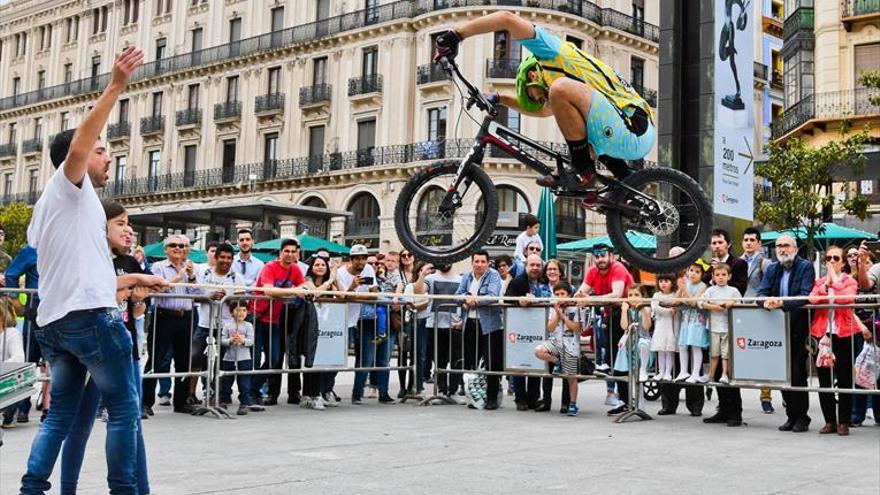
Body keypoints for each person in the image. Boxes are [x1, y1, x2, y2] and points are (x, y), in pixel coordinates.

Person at [20, 45, 171, 495]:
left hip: (55, 323)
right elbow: (82, 142)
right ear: (81, 158)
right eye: (103, 152)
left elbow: (77, 268)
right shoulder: (70, 187)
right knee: (124, 409)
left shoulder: (47, 212)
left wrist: (136, 278)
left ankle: (32, 488)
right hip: (91, 319)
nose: (109, 158)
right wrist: (116, 86)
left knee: (60, 415)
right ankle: (123, 489)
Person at [434, 11, 654, 191]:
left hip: (633, 125)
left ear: (532, 75)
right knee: (571, 117)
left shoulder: (549, 52)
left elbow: (507, 19)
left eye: (536, 96)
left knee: (559, 90)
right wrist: (500, 98)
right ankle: (625, 179)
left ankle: (583, 170)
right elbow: (544, 111)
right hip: (624, 132)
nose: (542, 101)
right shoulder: (563, 87)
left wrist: (456, 35)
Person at [58, 201, 152, 495]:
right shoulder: (90, 259)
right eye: (121, 224)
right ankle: (67, 488)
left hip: (124, 347)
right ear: (102, 226)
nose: (129, 231)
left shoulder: (131, 262)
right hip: (92, 348)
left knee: (131, 424)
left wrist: (138, 299)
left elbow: (136, 311)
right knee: (81, 424)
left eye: (129, 224)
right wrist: (130, 283)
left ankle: (140, 488)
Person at [756, 234, 815, 433]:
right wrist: (766, 302)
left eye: (786, 245)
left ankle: (802, 417)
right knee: (782, 374)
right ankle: (790, 416)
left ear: (795, 249)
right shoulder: (772, 268)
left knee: (797, 374)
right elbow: (761, 292)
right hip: (776, 330)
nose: (782, 249)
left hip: (798, 328)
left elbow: (805, 295)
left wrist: (782, 303)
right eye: (779, 246)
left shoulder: (805, 266)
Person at [809, 245, 866, 436]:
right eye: (829, 258)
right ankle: (829, 421)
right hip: (822, 334)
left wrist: (834, 282)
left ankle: (844, 421)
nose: (832, 262)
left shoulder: (849, 280)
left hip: (844, 334)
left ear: (842, 262)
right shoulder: (820, 282)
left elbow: (845, 299)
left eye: (836, 258)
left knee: (844, 379)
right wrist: (827, 285)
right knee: (824, 380)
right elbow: (813, 300)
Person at [143, 234, 202, 416]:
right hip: (164, 316)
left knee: (184, 360)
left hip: (186, 317)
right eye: (174, 245)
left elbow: (199, 292)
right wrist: (179, 276)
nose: (179, 249)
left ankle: (181, 401)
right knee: (156, 359)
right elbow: (159, 288)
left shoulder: (192, 268)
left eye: (183, 246)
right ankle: (145, 402)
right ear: (166, 249)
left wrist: (191, 276)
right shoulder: (158, 267)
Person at [573, 243, 633, 414]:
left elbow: (617, 294)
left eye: (603, 255)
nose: (600, 259)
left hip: (625, 315)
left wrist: (590, 299)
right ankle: (623, 400)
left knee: (622, 358)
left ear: (611, 256)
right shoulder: (592, 271)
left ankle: (629, 400)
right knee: (615, 358)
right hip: (609, 316)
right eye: (597, 256)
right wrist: (579, 296)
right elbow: (581, 292)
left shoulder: (618, 267)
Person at [251, 239, 306, 405]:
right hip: (257, 316)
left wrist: (302, 287)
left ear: (297, 253)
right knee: (253, 359)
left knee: (274, 360)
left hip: (274, 320)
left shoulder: (295, 269)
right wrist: (293, 291)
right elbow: (268, 290)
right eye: (286, 251)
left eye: (293, 251)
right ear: (280, 252)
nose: (289, 254)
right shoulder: (269, 267)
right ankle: (250, 393)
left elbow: (304, 286)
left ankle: (252, 390)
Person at [701, 229, 747, 427]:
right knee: (718, 366)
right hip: (714, 322)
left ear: (727, 244)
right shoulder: (709, 267)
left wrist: (724, 300)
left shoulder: (738, 263)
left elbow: (740, 287)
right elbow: (703, 286)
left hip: (731, 322)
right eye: (713, 243)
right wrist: (711, 277)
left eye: (720, 242)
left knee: (730, 367)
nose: (716, 246)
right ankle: (722, 409)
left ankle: (735, 412)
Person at [339, 244, 393, 404]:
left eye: (363, 258)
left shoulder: (369, 269)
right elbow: (345, 296)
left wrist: (361, 295)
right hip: (348, 319)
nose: (361, 262)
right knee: (360, 358)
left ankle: (383, 392)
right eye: (357, 258)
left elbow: (374, 293)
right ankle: (355, 393)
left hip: (371, 318)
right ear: (351, 259)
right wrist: (354, 287)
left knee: (380, 358)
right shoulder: (342, 273)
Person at [456, 250, 504, 410]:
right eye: (476, 261)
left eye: (483, 261)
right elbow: (457, 295)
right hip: (469, 323)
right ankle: (474, 397)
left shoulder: (494, 275)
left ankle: (491, 397)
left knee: (491, 362)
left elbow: (492, 296)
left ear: (488, 262)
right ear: (472, 262)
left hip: (490, 325)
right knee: (471, 361)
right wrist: (465, 299)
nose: (479, 265)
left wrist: (473, 301)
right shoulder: (467, 276)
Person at [190, 243, 238, 403]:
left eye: (229, 258)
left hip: (225, 327)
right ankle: (190, 394)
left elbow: (242, 303)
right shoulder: (204, 274)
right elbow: (193, 296)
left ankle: (216, 395)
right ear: (216, 258)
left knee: (220, 363)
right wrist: (208, 296)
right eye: (222, 257)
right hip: (204, 324)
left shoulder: (236, 277)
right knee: (195, 359)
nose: (226, 260)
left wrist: (228, 299)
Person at [505, 253, 551, 411]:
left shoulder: (544, 281)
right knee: (519, 363)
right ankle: (520, 398)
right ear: (526, 266)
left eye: (538, 265)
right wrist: (519, 301)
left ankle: (533, 397)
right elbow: (506, 299)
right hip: (519, 328)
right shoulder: (518, 281)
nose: (535, 268)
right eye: (532, 265)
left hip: (539, 328)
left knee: (536, 362)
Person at [3, 244, 40, 425]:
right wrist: (15, 298)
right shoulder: (31, 249)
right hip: (36, 308)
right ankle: (18, 408)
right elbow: (11, 274)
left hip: (60, 309)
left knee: (56, 362)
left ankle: (51, 408)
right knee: (28, 359)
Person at [741, 227, 775, 414]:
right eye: (746, 239)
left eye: (752, 240)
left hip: (759, 311)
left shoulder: (766, 263)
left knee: (763, 353)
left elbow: (769, 286)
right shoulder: (736, 261)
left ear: (759, 243)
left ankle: (766, 396)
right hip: (739, 311)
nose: (748, 243)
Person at [536, 282, 582, 416]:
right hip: (555, 342)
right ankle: (557, 362)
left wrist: (563, 316)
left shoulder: (575, 308)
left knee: (571, 378)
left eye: (562, 294)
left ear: (569, 295)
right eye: (557, 294)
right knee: (539, 351)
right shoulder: (553, 308)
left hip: (570, 346)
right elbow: (550, 328)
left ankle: (572, 403)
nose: (559, 296)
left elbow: (577, 328)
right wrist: (557, 313)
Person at [303, 254, 339, 409]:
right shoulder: (307, 281)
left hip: (329, 326)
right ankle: (312, 394)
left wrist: (335, 279)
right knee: (314, 360)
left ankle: (323, 392)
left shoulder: (331, 283)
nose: (320, 267)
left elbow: (343, 295)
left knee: (327, 361)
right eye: (317, 264)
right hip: (311, 325)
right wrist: (330, 281)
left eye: (323, 265)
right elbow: (315, 293)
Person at [421, 262, 463, 399]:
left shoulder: (461, 279)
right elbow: (419, 291)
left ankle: (453, 391)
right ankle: (441, 390)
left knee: (457, 360)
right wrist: (422, 274)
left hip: (455, 325)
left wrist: (462, 320)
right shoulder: (431, 278)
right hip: (434, 325)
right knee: (439, 361)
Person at [220, 299, 266, 416]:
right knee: (226, 380)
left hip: (244, 358)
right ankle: (223, 400)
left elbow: (251, 341)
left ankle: (244, 402)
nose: (241, 313)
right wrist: (230, 340)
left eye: (244, 310)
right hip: (229, 358)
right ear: (231, 312)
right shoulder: (227, 325)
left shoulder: (248, 325)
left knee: (244, 381)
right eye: (238, 310)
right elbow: (222, 340)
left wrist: (243, 340)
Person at [699, 264, 741, 386]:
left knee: (725, 353)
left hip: (728, 326)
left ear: (729, 276)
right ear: (713, 276)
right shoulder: (710, 290)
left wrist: (731, 303)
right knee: (714, 352)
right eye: (717, 275)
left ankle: (724, 374)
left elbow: (740, 302)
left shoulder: (733, 291)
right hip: (713, 326)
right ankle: (711, 375)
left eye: (723, 275)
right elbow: (701, 302)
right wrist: (714, 307)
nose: (720, 277)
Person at [676, 263, 709, 383]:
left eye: (697, 271)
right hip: (686, 319)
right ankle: (683, 371)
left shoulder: (702, 286)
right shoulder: (686, 284)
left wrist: (685, 289)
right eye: (691, 270)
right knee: (682, 345)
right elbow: (676, 300)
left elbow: (694, 302)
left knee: (695, 345)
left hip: (696, 320)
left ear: (702, 275)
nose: (693, 273)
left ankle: (695, 373)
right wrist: (681, 288)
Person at [617, 284, 652, 383]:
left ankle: (643, 369)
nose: (633, 298)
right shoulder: (628, 310)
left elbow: (646, 327)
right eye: (630, 295)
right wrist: (624, 311)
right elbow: (624, 327)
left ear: (642, 296)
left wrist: (644, 310)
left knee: (643, 344)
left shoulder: (646, 309)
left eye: (637, 295)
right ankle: (633, 396)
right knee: (632, 373)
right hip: (630, 341)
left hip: (643, 340)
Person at [650, 274, 678, 381]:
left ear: (672, 283)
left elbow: (675, 307)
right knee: (660, 349)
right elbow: (655, 307)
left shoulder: (674, 295)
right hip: (660, 324)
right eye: (661, 281)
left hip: (670, 325)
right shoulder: (656, 295)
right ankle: (661, 372)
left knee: (669, 350)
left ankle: (668, 373)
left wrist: (670, 311)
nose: (663, 283)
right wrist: (668, 311)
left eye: (666, 281)